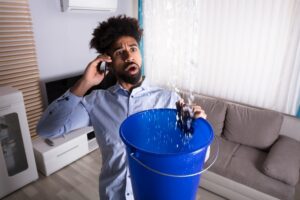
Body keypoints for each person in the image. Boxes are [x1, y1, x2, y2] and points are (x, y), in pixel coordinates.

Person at [37, 15, 207, 200]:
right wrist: (84, 83)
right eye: (119, 52)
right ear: (107, 62)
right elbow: (46, 129)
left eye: (133, 49)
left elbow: (199, 159)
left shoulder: (168, 99)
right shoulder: (96, 102)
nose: (128, 56)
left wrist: (195, 129)